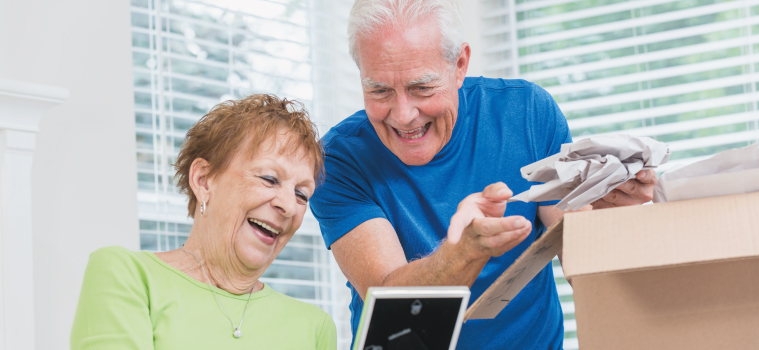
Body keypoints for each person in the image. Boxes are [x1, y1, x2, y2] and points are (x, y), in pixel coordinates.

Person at [309, 0, 658, 349]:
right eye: (379, 90)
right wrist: (463, 253)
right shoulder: (337, 160)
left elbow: (583, 260)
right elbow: (394, 308)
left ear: (459, 65)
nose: (403, 115)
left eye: (422, 88)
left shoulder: (527, 113)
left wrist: (609, 215)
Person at [71, 94, 336, 349]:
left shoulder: (315, 327)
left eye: (301, 194)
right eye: (269, 178)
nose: (289, 206)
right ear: (203, 180)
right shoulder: (127, 275)